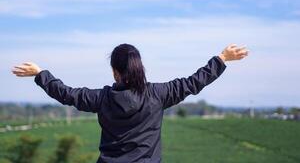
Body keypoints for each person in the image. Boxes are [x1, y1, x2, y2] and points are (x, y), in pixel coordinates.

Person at [12, 43, 248, 163]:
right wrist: (222, 58)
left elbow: (66, 93)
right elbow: (194, 82)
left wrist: (40, 73)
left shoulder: (100, 98)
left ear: (115, 71)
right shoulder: (159, 94)